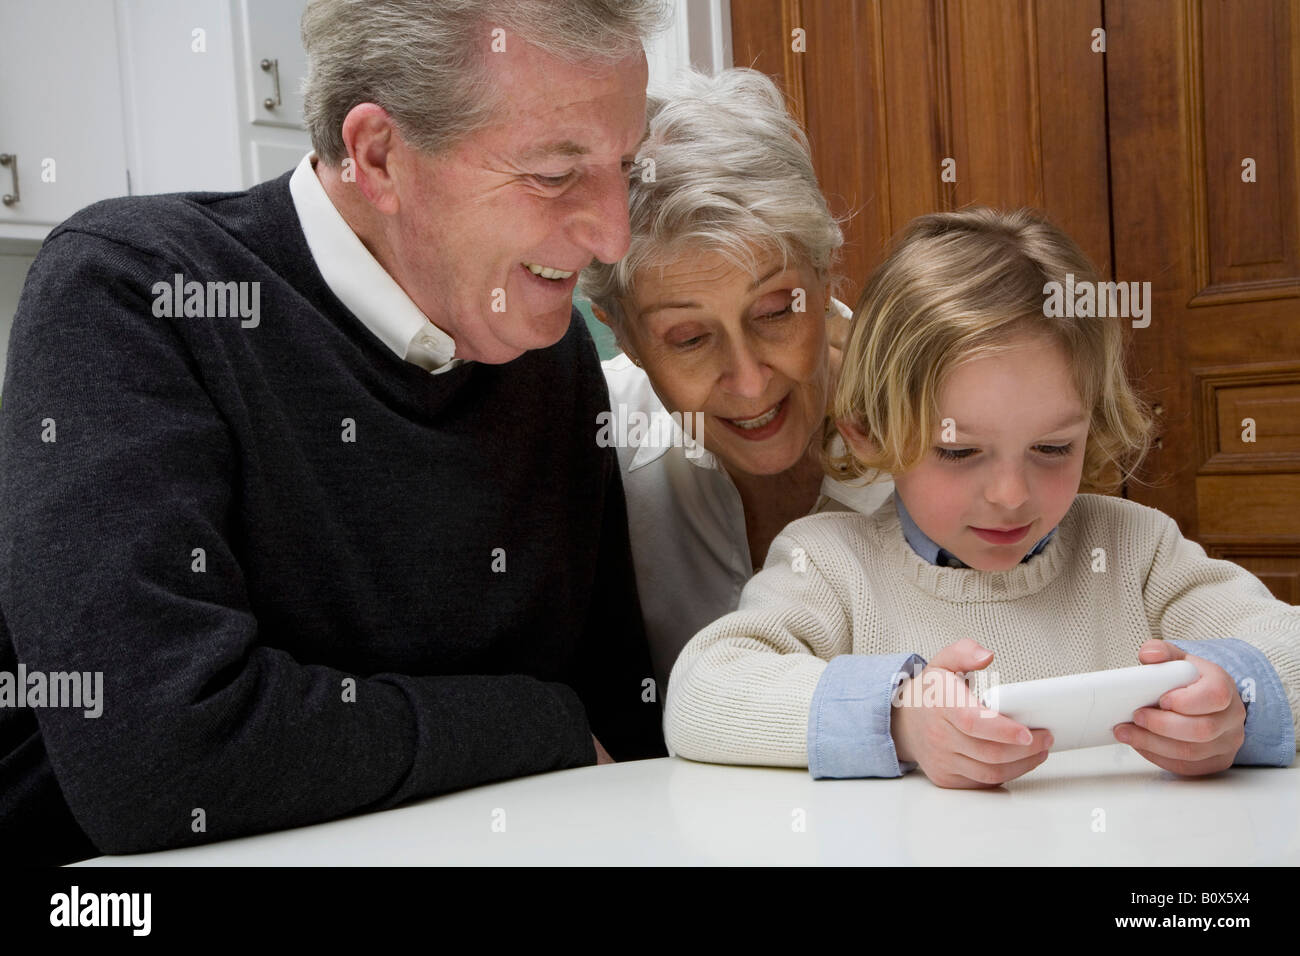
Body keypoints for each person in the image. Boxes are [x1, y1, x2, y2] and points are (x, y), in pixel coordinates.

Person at [0, 0, 670, 865]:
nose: (612, 233)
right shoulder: (134, 293)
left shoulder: (548, 352)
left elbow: (613, 714)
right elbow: (165, 764)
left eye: (625, 166)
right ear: (379, 157)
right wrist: (537, 722)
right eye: (552, 173)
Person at [663, 207, 1299, 786]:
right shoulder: (827, 564)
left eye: (1052, 448)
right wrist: (899, 718)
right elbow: (702, 694)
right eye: (959, 452)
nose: (1010, 495)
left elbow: (1286, 645)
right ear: (867, 432)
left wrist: (1238, 701)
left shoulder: (1137, 549)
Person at [580, 69, 893, 692]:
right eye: (688, 339)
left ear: (826, 273)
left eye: (776, 311)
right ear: (624, 335)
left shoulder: (949, 430)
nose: (749, 384)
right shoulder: (590, 447)